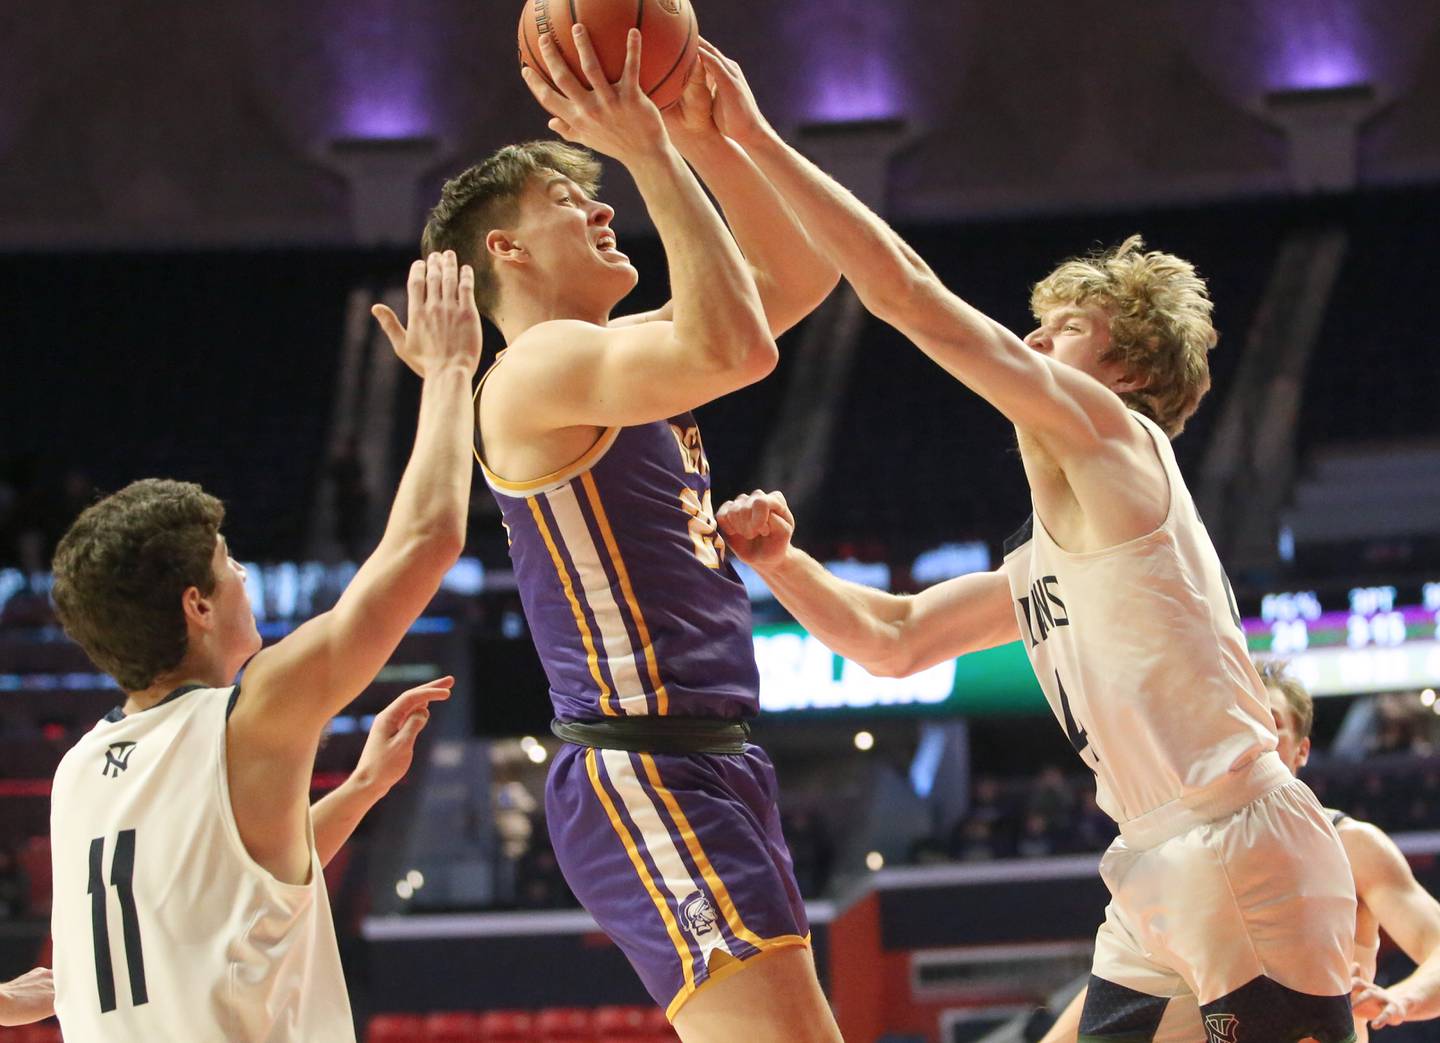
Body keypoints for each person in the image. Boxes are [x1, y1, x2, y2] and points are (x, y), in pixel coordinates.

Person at [701, 40, 1356, 1042]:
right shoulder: (1054, 550)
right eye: (1035, 324)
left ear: (1128, 370)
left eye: (1066, 327)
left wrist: (749, 137)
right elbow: (897, 638)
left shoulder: (1115, 440)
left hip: (1242, 848)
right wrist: (782, 563)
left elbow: (911, 296)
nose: (1037, 341)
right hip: (1158, 867)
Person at [415, 25, 840, 1039]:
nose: (604, 207)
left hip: (710, 758)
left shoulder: (609, 352)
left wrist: (710, 137)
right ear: (505, 252)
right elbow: (736, 344)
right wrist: (650, 147)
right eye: (568, 201)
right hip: (641, 763)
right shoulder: (532, 372)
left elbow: (799, 278)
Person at [46, 250, 481, 1042]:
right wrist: (451, 371)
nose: (244, 573)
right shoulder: (250, 714)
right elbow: (427, 540)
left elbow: (229, 888)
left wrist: (362, 788)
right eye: (228, 564)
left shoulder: (80, 769)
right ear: (197, 605)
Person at [1041, 663, 1440, 1041]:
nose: (1253, 732)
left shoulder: (1352, 844)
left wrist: (1402, 999)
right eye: (1239, 718)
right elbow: (1125, 977)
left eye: (1272, 721)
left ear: (1302, 751)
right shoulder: (1179, 851)